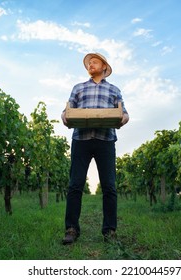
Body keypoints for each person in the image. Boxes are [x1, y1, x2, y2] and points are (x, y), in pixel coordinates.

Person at [61, 53, 129, 244]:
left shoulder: (114, 90)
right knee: (75, 185)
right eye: (89, 63)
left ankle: (109, 231)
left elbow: (124, 113)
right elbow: (67, 110)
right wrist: (64, 117)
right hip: (81, 139)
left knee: (109, 186)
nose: (90, 64)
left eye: (94, 62)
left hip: (105, 140)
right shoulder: (78, 88)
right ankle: (71, 229)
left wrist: (123, 119)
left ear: (104, 66)